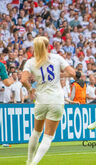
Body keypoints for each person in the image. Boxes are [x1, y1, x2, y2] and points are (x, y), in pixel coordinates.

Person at [21, 36, 76, 165]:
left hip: (41, 100)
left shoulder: (30, 62)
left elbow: (23, 80)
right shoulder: (57, 58)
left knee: (36, 132)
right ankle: (34, 163)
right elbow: (73, 73)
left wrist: (30, 89)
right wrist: (63, 74)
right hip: (56, 100)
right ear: (48, 46)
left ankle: (29, 161)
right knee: (48, 136)